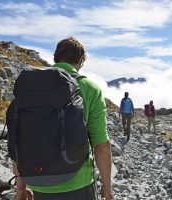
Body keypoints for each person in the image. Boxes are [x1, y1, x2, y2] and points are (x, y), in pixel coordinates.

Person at [13, 37, 114, 200]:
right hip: (78, 183)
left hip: (37, 182)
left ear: (56, 57)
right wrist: (107, 186)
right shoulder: (89, 88)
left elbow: (18, 140)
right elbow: (101, 145)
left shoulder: (30, 87)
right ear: (81, 60)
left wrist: (20, 188)